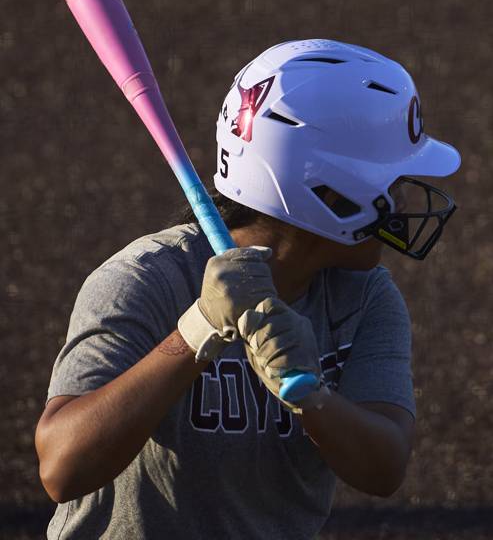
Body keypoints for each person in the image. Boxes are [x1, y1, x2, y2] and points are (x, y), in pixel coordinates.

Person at [35, 39, 459, 539]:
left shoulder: (364, 296)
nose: (406, 199)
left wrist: (315, 400)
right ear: (331, 191)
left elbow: (384, 467)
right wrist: (193, 335)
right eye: (395, 181)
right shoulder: (146, 278)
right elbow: (62, 469)